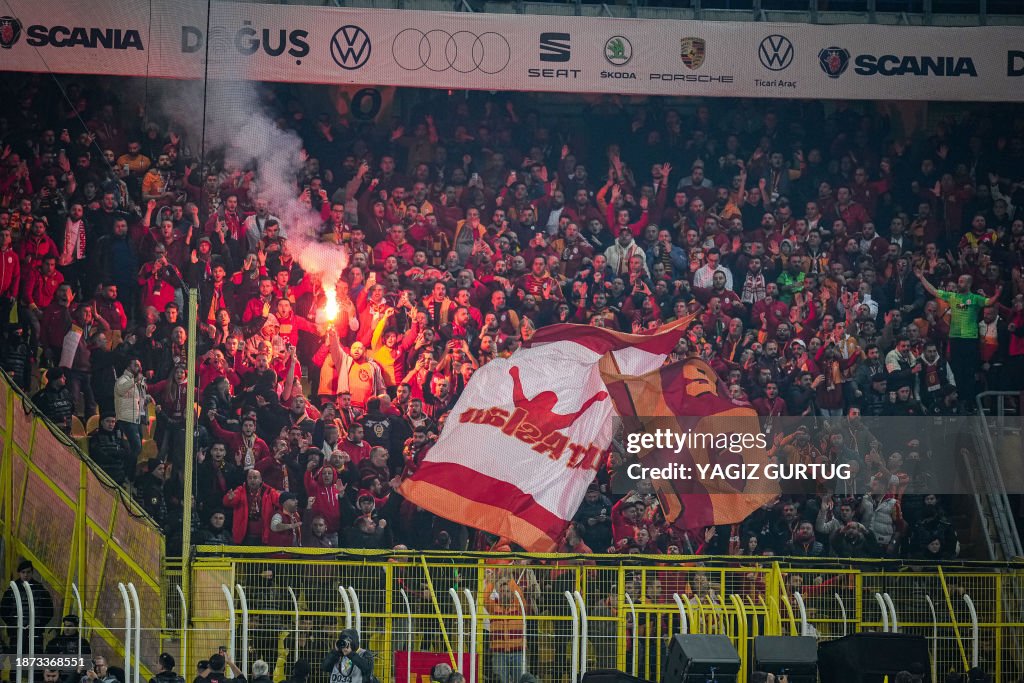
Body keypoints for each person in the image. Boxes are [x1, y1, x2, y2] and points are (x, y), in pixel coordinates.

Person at [1, 559, 55, 653]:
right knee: (17, 658)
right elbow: (4, 610)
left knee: (34, 658)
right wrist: (13, 624)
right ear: (19, 573)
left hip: (35, 632)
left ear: (32, 573)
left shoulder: (40, 589)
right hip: (16, 632)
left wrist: (39, 624)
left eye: (28, 572)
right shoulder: (11, 590)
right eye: (23, 572)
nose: (26, 575)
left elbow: (49, 611)